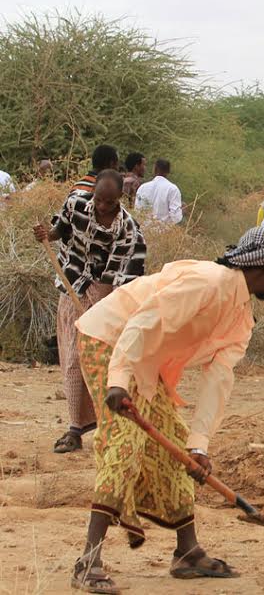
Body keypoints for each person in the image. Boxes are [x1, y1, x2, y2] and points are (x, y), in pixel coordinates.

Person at [68, 227, 264, 592]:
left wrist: (200, 444)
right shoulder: (208, 282)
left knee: (175, 439)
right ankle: (87, 561)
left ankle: (187, 553)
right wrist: (119, 381)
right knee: (124, 444)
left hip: (144, 356)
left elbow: (219, 379)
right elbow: (142, 322)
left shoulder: (242, 317)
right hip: (110, 340)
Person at [32, 169, 147, 454]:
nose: (102, 207)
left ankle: (111, 425)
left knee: (96, 359)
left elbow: (120, 279)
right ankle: (74, 428)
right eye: (98, 200)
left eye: (109, 202)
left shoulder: (129, 230)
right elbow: (63, 229)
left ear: (120, 198)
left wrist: (97, 314)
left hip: (105, 293)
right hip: (72, 283)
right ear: (93, 193)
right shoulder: (76, 204)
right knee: (72, 359)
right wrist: (49, 233)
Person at [135, 159, 184, 223]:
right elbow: (175, 217)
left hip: (144, 229)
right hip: (164, 231)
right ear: (168, 171)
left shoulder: (143, 187)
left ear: (154, 169)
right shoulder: (173, 189)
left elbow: (137, 211)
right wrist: (181, 211)